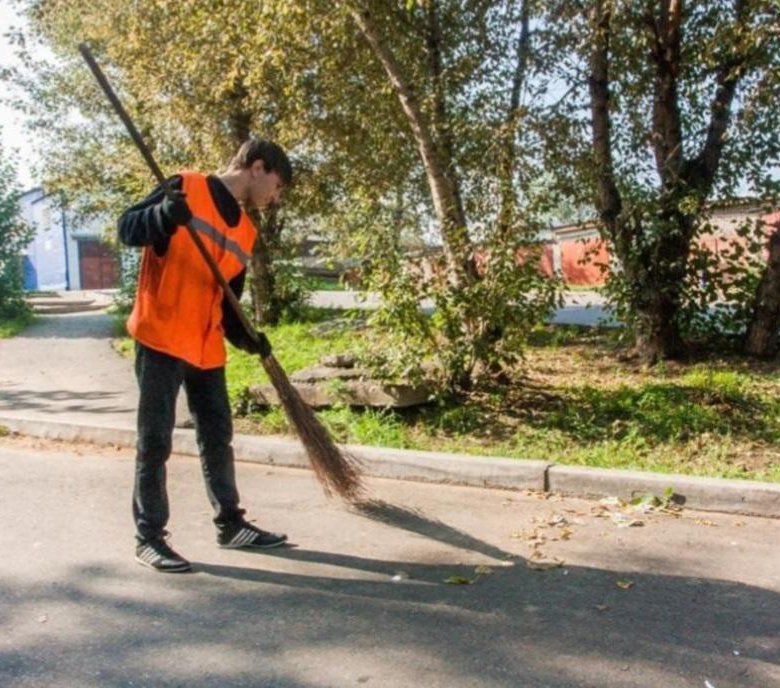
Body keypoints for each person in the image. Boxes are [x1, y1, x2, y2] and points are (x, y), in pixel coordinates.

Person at [118, 138, 293, 573]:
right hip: (161, 334)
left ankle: (230, 524)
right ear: (257, 167)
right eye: (277, 186)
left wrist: (250, 340)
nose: (275, 198)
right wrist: (162, 215)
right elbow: (126, 228)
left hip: (205, 344)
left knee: (217, 435)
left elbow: (228, 301)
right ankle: (150, 537)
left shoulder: (245, 232)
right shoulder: (185, 188)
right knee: (155, 440)